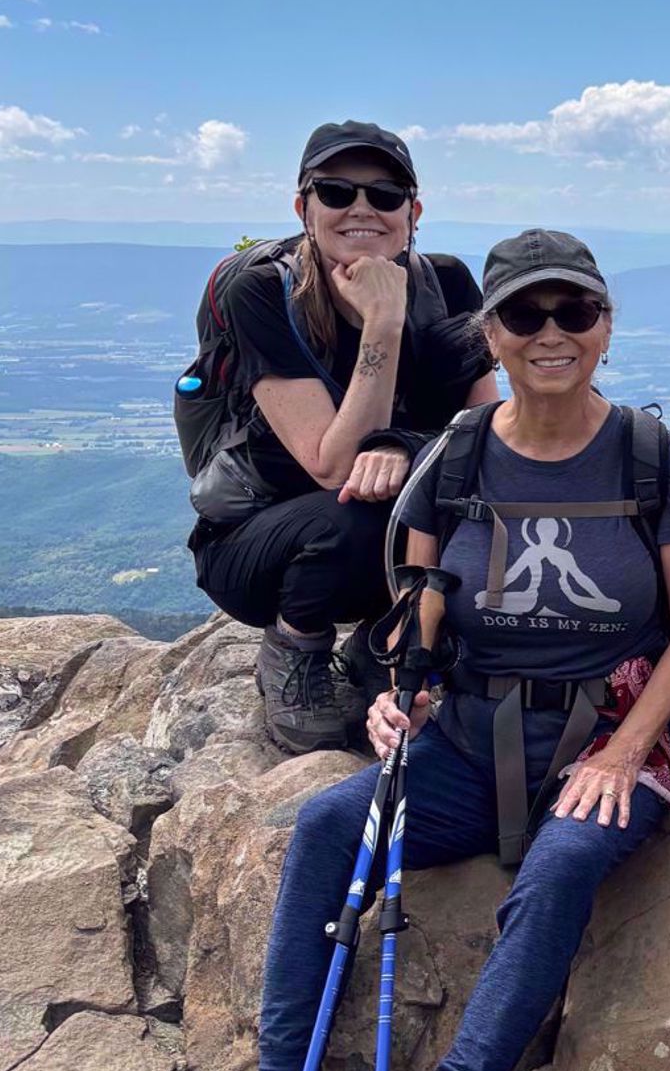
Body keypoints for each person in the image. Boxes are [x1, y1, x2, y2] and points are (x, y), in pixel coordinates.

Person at [156, 229, 670, 1071]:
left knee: (560, 868)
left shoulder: (647, 453)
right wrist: (399, 700)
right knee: (330, 824)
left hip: (606, 730)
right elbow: (419, 605)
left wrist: (626, 750)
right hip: (464, 736)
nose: (551, 334)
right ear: (490, 334)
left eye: (574, 313)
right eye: (524, 316)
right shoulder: (455, 456)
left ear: (604, 326)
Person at [186, 119, 498, 755]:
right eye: (336, 192)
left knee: (482, 511)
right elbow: (331, 464)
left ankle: (374, 649)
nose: (361, 208)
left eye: (384, 196)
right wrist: (382, 320)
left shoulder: (449, 284)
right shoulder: (265, 293)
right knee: (351, 510)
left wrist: (404, 446)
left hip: (393, 527)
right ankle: (295, 656)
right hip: (259, 547)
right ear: (304, 208)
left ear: (413, 212)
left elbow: (484, 436)